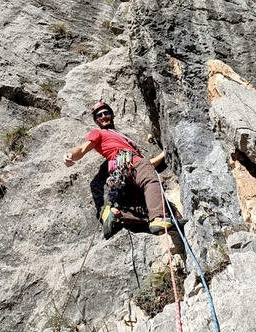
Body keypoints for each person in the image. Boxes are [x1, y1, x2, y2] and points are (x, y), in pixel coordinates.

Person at [63, 101, 175, 240]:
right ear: (96, 121)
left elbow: (147, 165)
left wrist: (164, 154)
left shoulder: (121, 138)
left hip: (128, 169)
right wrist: (71, 156)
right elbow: (82, 148)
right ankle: (159, 219)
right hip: (127, 163)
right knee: (153, 182)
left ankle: (118, 213)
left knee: (151, 203)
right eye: (99, 115)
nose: (103, 116)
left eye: (106, 113)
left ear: (112, 115)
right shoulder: (97, 133)